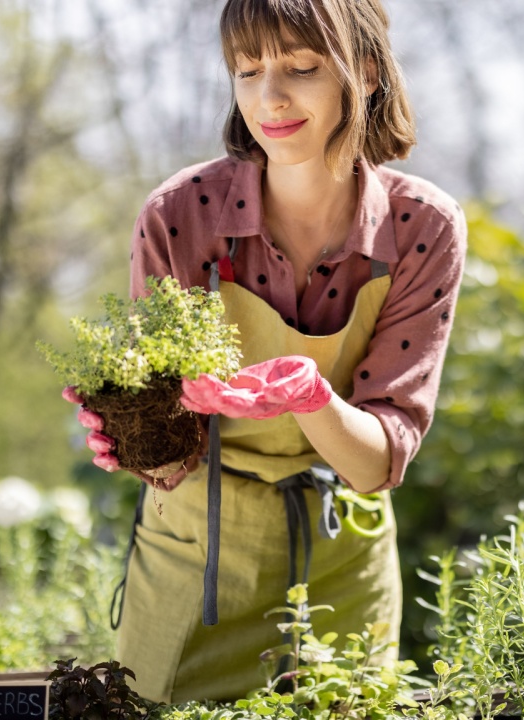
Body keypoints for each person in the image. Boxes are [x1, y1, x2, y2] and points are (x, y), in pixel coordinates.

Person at [64, 0, 466, 704]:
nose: (269, 97)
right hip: (200, 550)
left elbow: (377, 461)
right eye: (247, 71)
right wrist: (133, 434)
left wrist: (309, 396)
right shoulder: (181, 216)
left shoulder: (421, 228)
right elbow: (166, 442)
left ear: (365, 72)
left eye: (301, 68)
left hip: (344, 549)